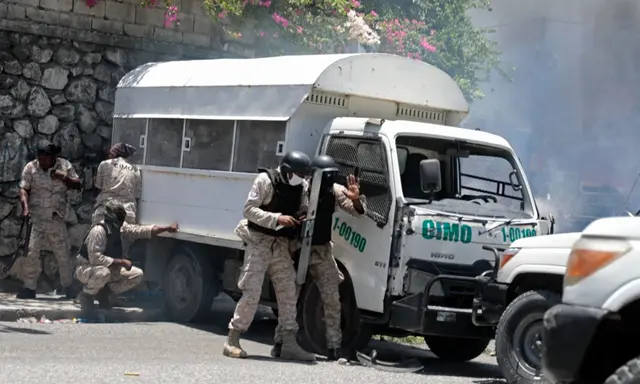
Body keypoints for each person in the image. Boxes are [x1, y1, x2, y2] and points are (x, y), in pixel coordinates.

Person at [271, 155, 366, 361]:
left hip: (321, 250)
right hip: (297, 248)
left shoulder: (336, 191)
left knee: (332, 298)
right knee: (291, 298)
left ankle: (334, 347)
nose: (329, 179)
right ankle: (281, 342)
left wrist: (356, 198)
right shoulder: (301, 188)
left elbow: (357, 211)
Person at [224, 150, 316, 362]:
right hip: (260, 241)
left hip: (281, 244)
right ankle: (233, 339)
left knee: (288, 292)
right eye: (297, 174)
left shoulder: (301, 186)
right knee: (252, 291)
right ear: (286, 171)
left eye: (303, 176)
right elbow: (248, 210)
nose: (300, 179)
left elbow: (302, 205)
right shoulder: (265, 180)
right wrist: (277, 218)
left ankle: (287, 343)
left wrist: (300, 215)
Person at [75, 201, 178, 316]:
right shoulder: (99, 231)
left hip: (109, 268)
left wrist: (166, 228)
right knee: (103, 273)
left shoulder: (120, 227)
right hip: (87, 268)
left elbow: (141, 231)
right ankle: (86, 295)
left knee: (137, 274)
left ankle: (105, 293)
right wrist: (121, 262)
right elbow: (95, 258)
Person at [17, 143, 82, 299]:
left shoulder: (64, 165)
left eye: (46, 159)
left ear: (54, 157)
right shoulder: (31, 167)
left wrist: (63, 177)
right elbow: (23, 189)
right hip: (36, 219)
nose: (43, 162)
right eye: (40, 158)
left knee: (63, 253)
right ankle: (29, 287)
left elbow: (78, 184)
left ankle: (68, 286)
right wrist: (25, 207)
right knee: (31, 253)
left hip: (56, 218)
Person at [92, 143, 141, 226]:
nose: (109, 156)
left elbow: (98, 187)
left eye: (110, 154)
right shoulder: (136, 170)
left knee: (98, 236)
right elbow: (136, 195)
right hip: (127, 214)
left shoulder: (104, 164)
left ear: (114, 154)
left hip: (105, 211)